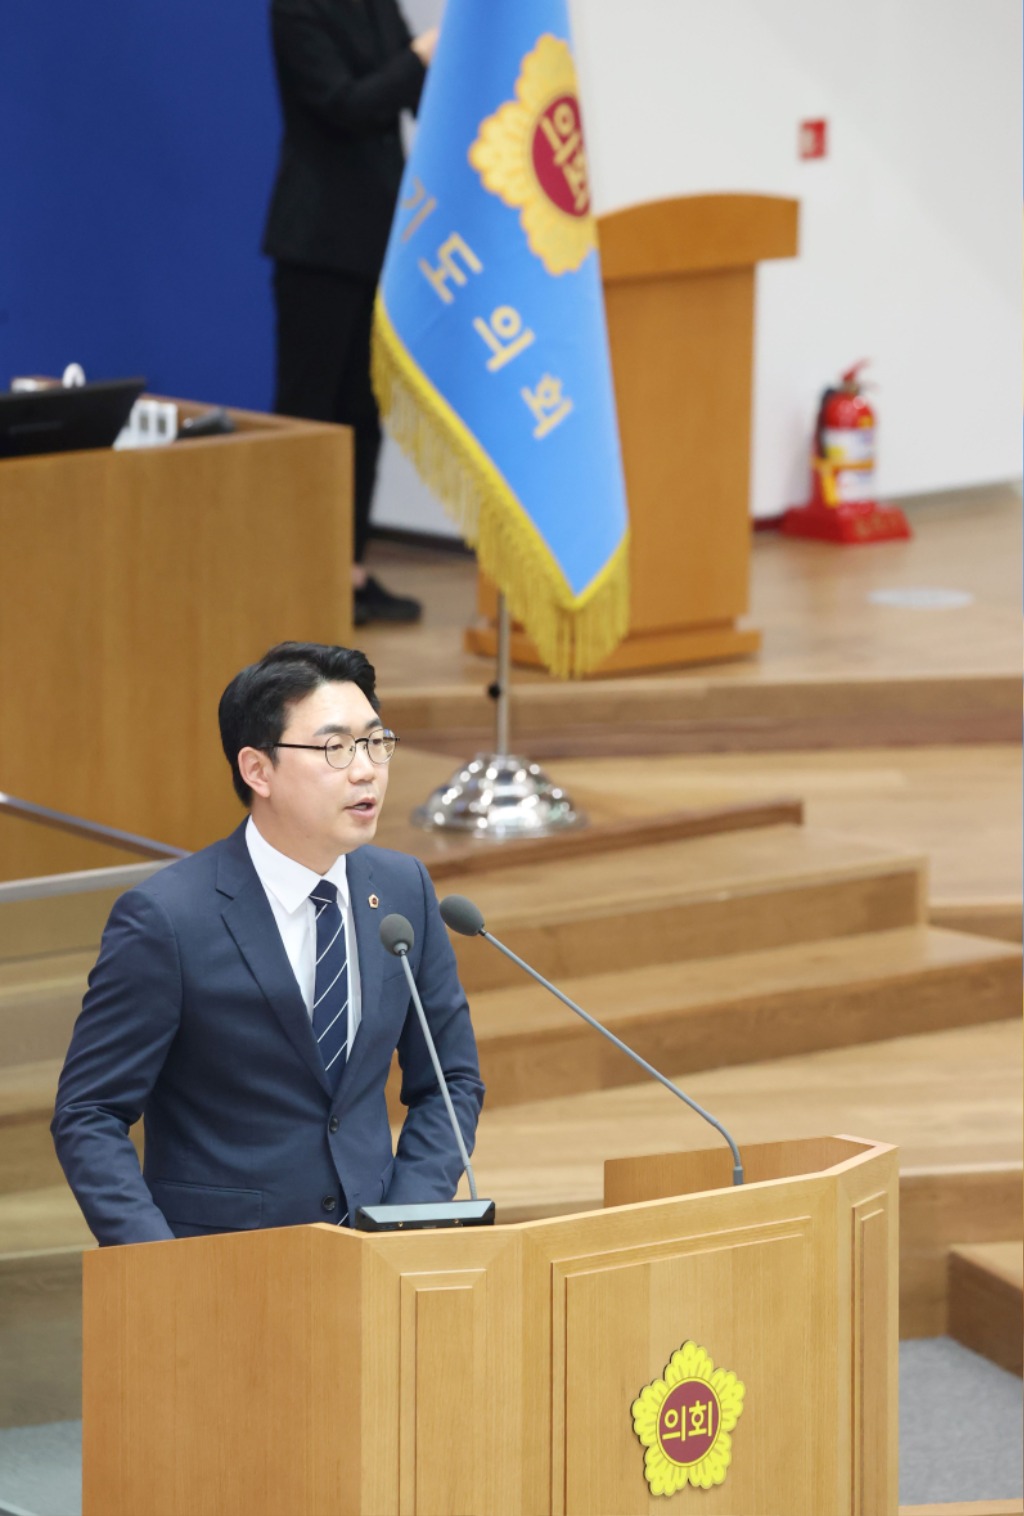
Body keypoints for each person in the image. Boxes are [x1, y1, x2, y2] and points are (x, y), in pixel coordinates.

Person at [52, 642, 484, 1245]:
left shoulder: (402, 888)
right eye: (335, 747)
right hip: (223, 1270)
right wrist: (159, 1268)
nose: (365, 770)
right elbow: (89, 1114)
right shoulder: (167, 919)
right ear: (257, 770)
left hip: (377, 1263)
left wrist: (404, 1223)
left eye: (375, 742)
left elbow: (449, 1079)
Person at [262, 0, 438, 626]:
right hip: (316, 241)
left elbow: (415, 92)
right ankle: (293, 573)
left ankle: (347, 571)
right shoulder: (297, 9)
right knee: (312, 417)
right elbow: (343, 104)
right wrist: (419, 57)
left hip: (380, 240)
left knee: (364, 416)